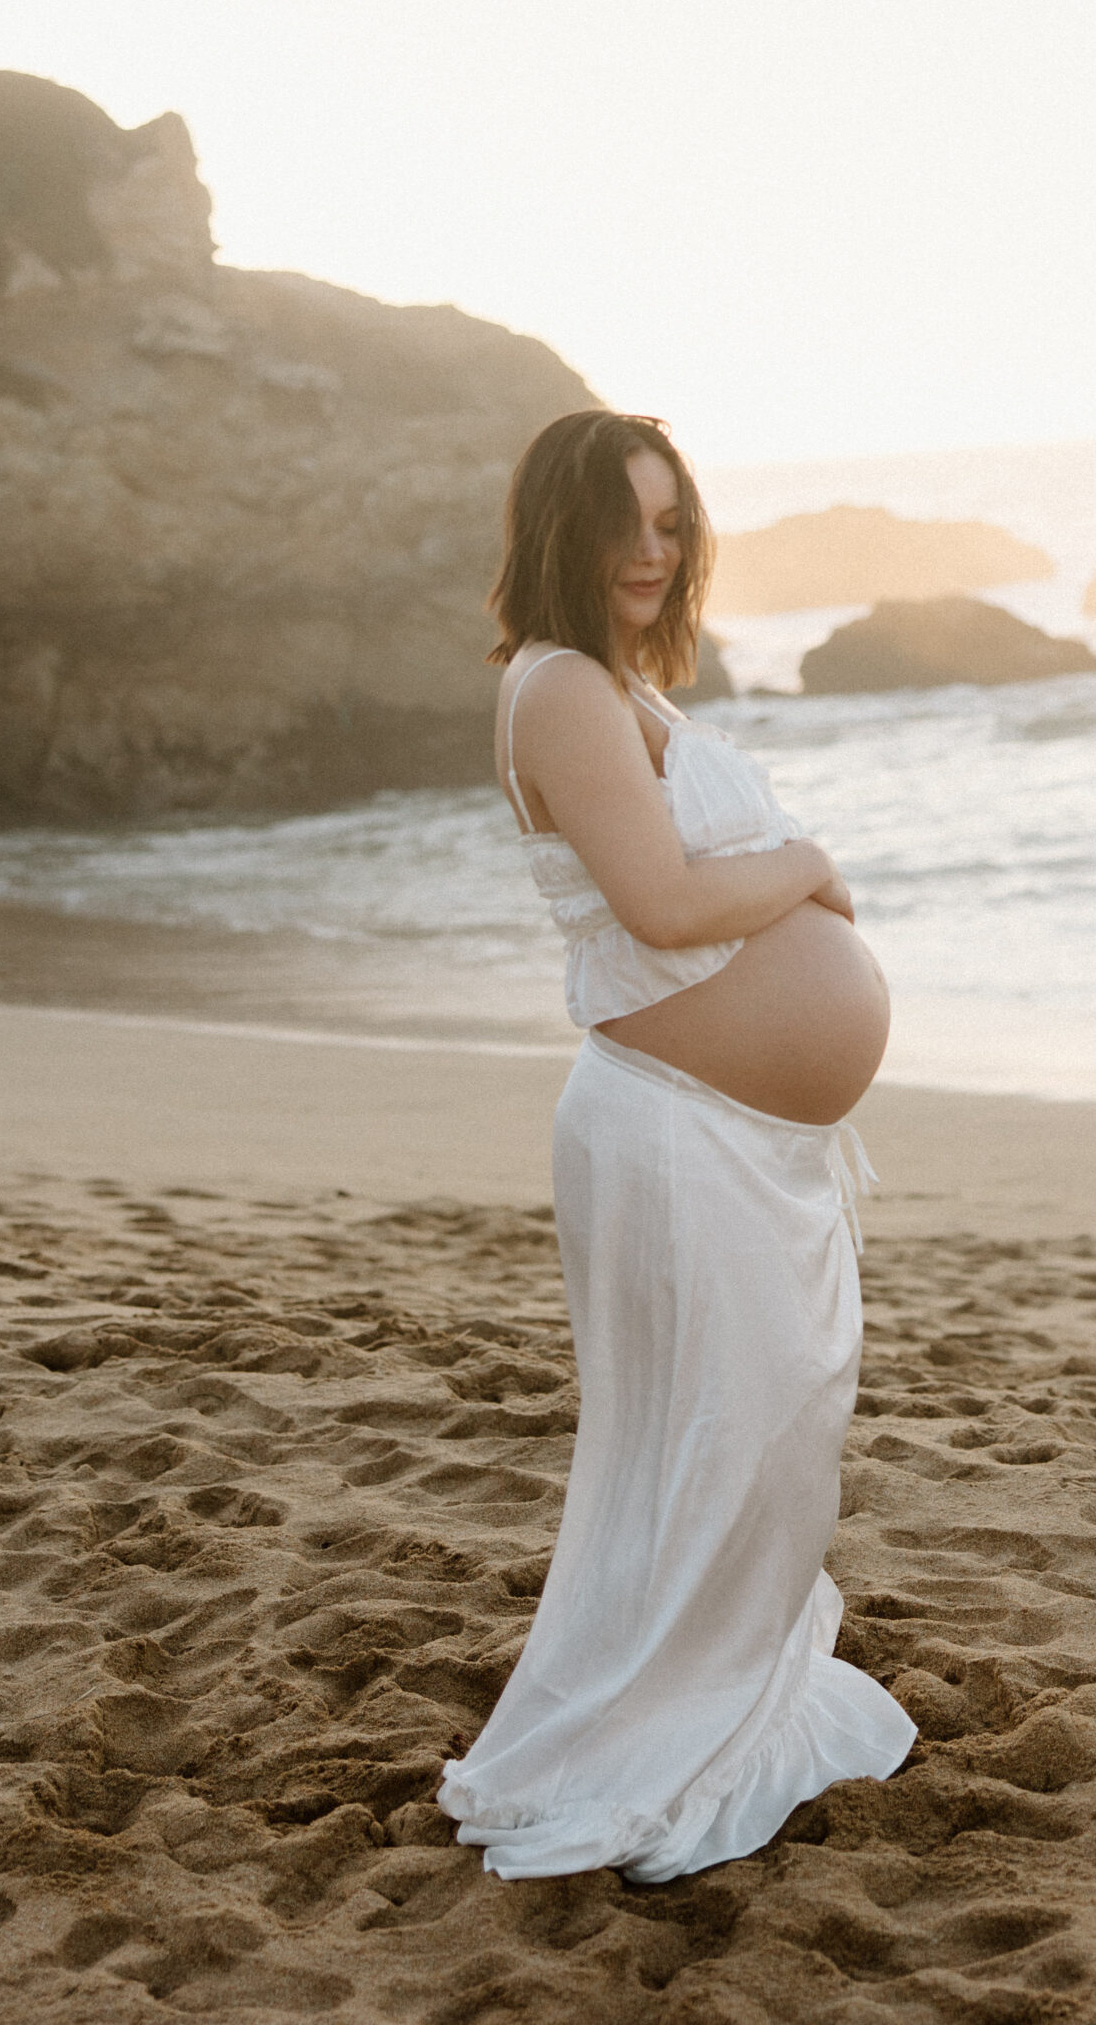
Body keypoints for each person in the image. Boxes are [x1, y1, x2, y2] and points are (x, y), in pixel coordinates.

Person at [437, 411, 915, 1880]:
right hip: (673, 1134)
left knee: (751, 1441)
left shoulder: (607, 685)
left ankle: (704, 1705)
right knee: (717, 1445)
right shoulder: (564, 688)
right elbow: (658, 904)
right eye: (620, 523)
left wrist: (785, 906)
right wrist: (811, 868)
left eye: (669, 521)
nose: (651, 551)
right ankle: (651, 1743)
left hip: (731, 1141)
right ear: (558, 534)